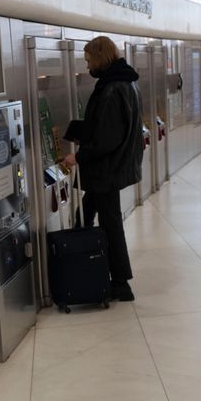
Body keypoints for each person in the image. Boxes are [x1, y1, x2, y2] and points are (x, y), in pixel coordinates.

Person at [61, 36, 144, 302]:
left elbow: (107, 137)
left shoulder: (111, 88)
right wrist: (77, 130)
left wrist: (79, 157)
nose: (88, 67)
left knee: (108, 223)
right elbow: (109, 126)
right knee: (85, 215)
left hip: (106, 169)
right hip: (111, 167)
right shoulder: (126, 83)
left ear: (100, 57)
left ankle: (119, 282)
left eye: (89, 60)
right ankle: (88, 267)